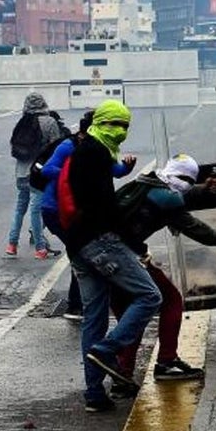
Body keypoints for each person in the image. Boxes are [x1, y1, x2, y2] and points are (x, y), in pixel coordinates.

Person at [107, 154, 216, 394]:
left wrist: (200, 190)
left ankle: (122, 376)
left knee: (130, 316)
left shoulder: (147, 181)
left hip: (104, 255)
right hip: (126, 257)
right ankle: (166, 361)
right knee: (171, 300)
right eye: (188, 181)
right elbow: (191, 225)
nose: (186, 186)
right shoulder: (165, 197)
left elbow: (176, 197)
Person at [65, 100, 162, 413]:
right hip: (99, 241)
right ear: (101, 122)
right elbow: (107, 209)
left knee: (93, 318)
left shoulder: (89, 148)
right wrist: (137, 245)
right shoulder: (95, 153)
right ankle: (108, 351)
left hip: (78, 244)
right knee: (149, 296)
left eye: (125, 126)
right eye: (114, 125)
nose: (119, 132)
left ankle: (94, 394)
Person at [39, 110, 136, 321]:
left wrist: (127, 168)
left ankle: (82, 304)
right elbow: (47, 170)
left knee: (82, 251)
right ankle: (76, 305)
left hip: (78, 210)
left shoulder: (100, 148)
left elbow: (114, 171)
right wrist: (76, 172)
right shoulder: (70, 146)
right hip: (56, 209)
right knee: (82, 251)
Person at [6, 92, 66, 259]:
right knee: (36, 211)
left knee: (19, 209)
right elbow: (56, 148)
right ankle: (40, 248)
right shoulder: (49, 121)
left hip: (20, 173)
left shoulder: (22, 122)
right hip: (38, 174)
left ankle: (12, 245)